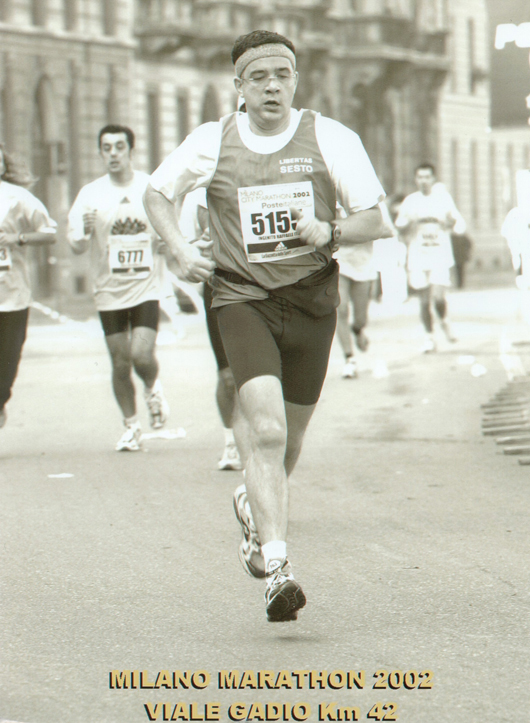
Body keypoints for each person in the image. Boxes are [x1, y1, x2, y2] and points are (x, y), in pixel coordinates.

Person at [144, 30, 386, 622]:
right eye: (259, 76)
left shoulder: (330, 137)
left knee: (290, 442)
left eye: (282, 73)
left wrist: (327, 231)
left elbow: (374, 219)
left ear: (296, 79)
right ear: (240, 87)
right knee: (268, 432)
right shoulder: (211, 141)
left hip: (311, 300)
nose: (272, 84)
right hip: (241, 297)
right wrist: (178, 247)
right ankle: (278, 569)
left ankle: (253, 509)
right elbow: (157, 194)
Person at [67, 124, 170, 452]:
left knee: (140, 355)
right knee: (119, 362)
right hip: (109, 290)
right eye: (106, 148)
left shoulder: (148, 188)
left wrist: (165, 242)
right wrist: (82, 233)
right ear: (100, 153)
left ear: (130, 151)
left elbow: (168, 230)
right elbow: (76, 245)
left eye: (118, 147)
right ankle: (131, 426)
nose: (112, 154)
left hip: (145, 288)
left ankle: (153, 388)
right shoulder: (91, 194)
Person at [179, 188, 242, 470]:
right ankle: (231, 441)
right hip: (218, 286)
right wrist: (195, 252)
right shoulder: (195, 197)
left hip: (263, 283)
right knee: (228, 375)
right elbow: (184, 252)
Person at [0, 144, 57, 429]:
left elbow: (49, 234)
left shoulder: (18, 198)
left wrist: (18, 238)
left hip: (13, 296)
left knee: (7, 363)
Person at [395, 165, 466, 353]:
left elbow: (455, 221)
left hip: (439, 254)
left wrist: (446, 222)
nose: (423, 181)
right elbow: (399, 227)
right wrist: (410, 222)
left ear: (433, 179)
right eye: (420, 177)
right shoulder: (410, 202)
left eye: (427, 177)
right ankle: (429, 337)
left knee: (438, 298)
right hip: (418, 255)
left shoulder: (443, 199)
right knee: (424, 301)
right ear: (415, 180)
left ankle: (444, 320)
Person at [334, 209, 376, 379]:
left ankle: (358, 330)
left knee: (360, 319)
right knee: (341, 309)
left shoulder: (368, 202)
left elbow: (386, 229)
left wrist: (350, 231)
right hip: (339, 262)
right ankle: (349, 359)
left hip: (362, 264)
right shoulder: (332, 200)